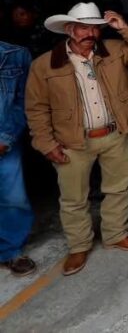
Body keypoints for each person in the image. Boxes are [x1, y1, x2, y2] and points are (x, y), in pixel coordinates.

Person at [26, 2, 128, 276]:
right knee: (74, 198)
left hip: (114, 133)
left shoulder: (114, 49)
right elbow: (36, 109)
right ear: (69, 30)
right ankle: (79, 246)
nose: (90, 34)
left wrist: (124, 28)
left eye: (95, 28)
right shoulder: (45, 64)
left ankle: (116, 234)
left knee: (118, 189)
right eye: (83, 28)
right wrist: (46, 144)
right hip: (72, 142)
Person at [0, 40, 35, 277]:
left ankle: (9, 251)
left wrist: (6, 137)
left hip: (3, 141)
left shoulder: (16, 55)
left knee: (13, 199)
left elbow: (26, 101)